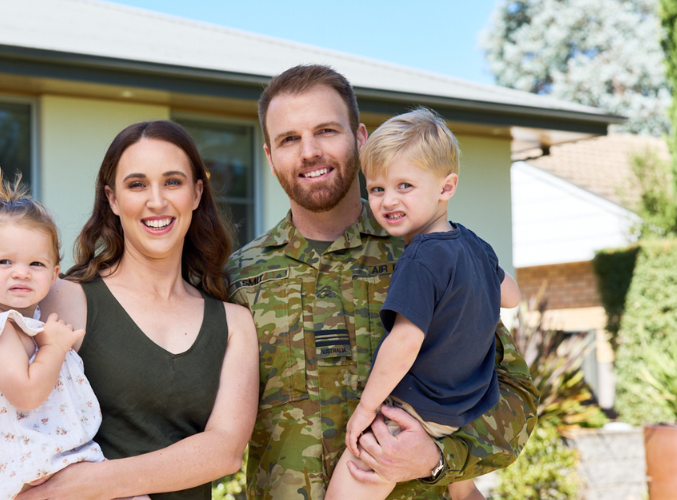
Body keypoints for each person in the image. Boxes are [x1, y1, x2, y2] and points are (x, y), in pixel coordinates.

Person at [226, 65, 539, 500]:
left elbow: (514, 395)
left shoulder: (430, 253)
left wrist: (436, 457)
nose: (309, 151)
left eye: (326, 131)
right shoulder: (238, 278)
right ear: (269, 155)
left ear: (360, 139)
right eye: (289, 139)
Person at [16, 120, 259, 500]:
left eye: (173, 182)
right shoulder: (66, 300)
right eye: (137, 184)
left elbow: (224, 451)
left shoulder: (233, 323)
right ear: (112, 199)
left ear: (197, 193)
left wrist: (86, 484)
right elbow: (3, 414)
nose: (157, 201)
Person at [324, 109, 523, 500]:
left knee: (350, 487)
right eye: (377, 189)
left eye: (405, 186)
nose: (387, 200)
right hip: (469, 406)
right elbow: (512, 296)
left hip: (416, 410)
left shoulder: (419, 257)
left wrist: (367, 408)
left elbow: (404, 343)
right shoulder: (475, 246)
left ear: (446, 188)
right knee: (463, 493)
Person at [0, 170, 147, 500]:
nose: (21, 272)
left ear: (54, 275)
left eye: (36, 264)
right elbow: (27, 394)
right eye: (4, 262)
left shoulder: (17, 324)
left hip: (35, 456)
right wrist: (54, 348)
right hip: (23, 462)